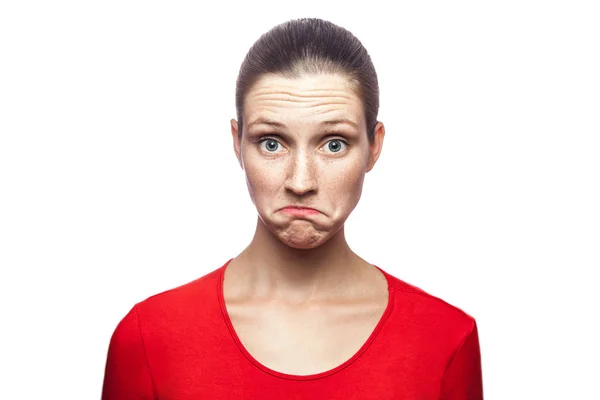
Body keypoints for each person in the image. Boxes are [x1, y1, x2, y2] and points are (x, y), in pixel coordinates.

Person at [101, 17, 483, 399]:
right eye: (271, 143)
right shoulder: (149, 339)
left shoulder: (445, 339)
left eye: (334, 144)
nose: (301, 182)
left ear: (374, 146)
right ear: (238, 143)